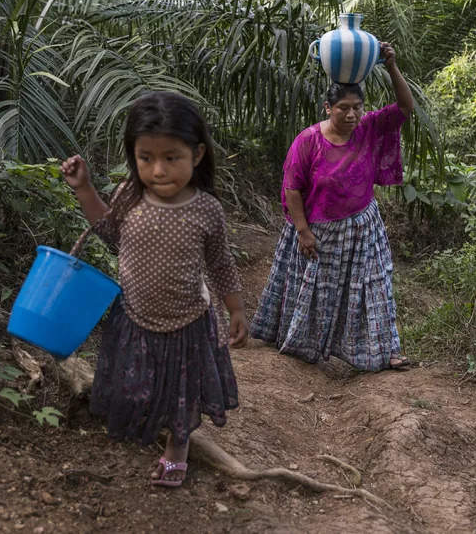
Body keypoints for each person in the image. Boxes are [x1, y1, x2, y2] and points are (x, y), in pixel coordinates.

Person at [59, 91, 247, 489]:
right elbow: (109, 233)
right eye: (146, 158)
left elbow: (220, 263)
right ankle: (146, 425)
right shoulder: (130, 195)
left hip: (186, 322)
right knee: (137, 383)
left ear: (196, 155)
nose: (158, 170)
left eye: (171, 158)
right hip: (134, 316)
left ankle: (178, 448)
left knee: (183, 391)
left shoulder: (206, 210)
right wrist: (84, 189)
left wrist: (236, 309)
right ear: (134, 155)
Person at [251, 42, 413, 372]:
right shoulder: (308, 140)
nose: (351, 114)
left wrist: (392, 66)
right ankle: (300, 346)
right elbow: (292, 189)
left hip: (363, 228)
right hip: (319, 231)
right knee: (315, 293)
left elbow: (405, 108)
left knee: (375, 286)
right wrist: (303, 232)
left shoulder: (368, 128)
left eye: (357, 107)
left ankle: (386, 351)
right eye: (343, 108)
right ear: (328, 107)